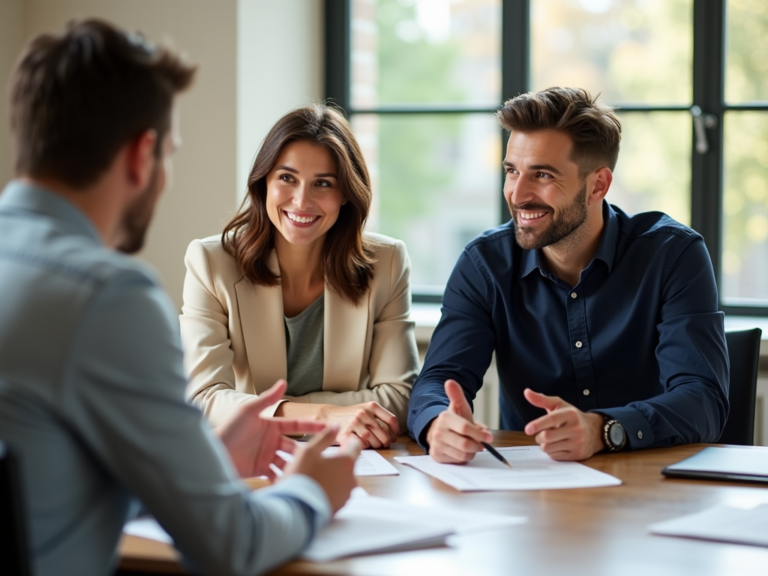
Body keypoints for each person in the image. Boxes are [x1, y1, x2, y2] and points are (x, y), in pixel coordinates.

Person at [0, 19, 360, 576]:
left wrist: (205, 461)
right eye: (170, 153)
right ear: (142, 154)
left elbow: (48, 488)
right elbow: (230, 544)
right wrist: (312, 491)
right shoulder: (107, 297)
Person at [407, 87, 729, 464]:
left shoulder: (673, 255)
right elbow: (437, 379)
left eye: (542, 174)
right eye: (512, 171)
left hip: (649, 476)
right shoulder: (484, 264)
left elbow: (702, 400)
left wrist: (604, 429)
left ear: (598, 185)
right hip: (532, 482)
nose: (518, 194)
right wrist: (437, 424)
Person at [181, 105, 419, 449]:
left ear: (346, 194)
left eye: (322, 183)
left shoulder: (387, 262)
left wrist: (271, 411)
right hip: (251, 458)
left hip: (353, 458)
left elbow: (401, 397)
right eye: (287, 178)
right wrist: (325, 415)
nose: (302, 200)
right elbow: (204, 399)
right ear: (264, 182)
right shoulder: (211, 263)